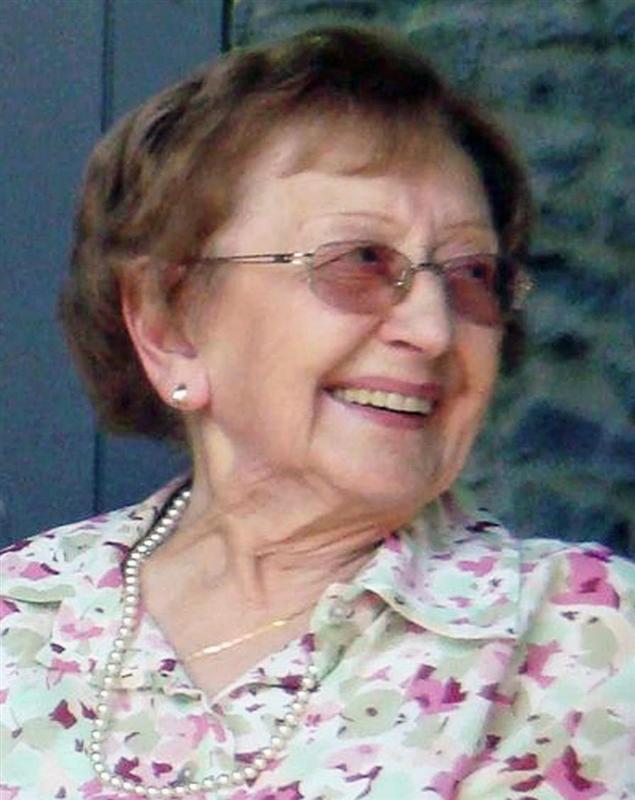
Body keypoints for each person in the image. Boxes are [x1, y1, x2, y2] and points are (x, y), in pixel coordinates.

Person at [1, 26, 633, 800]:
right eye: (360, 260)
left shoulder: (589, 641)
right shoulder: (21, 614)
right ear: (169, 326)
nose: (433, 330)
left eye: (472, 275)